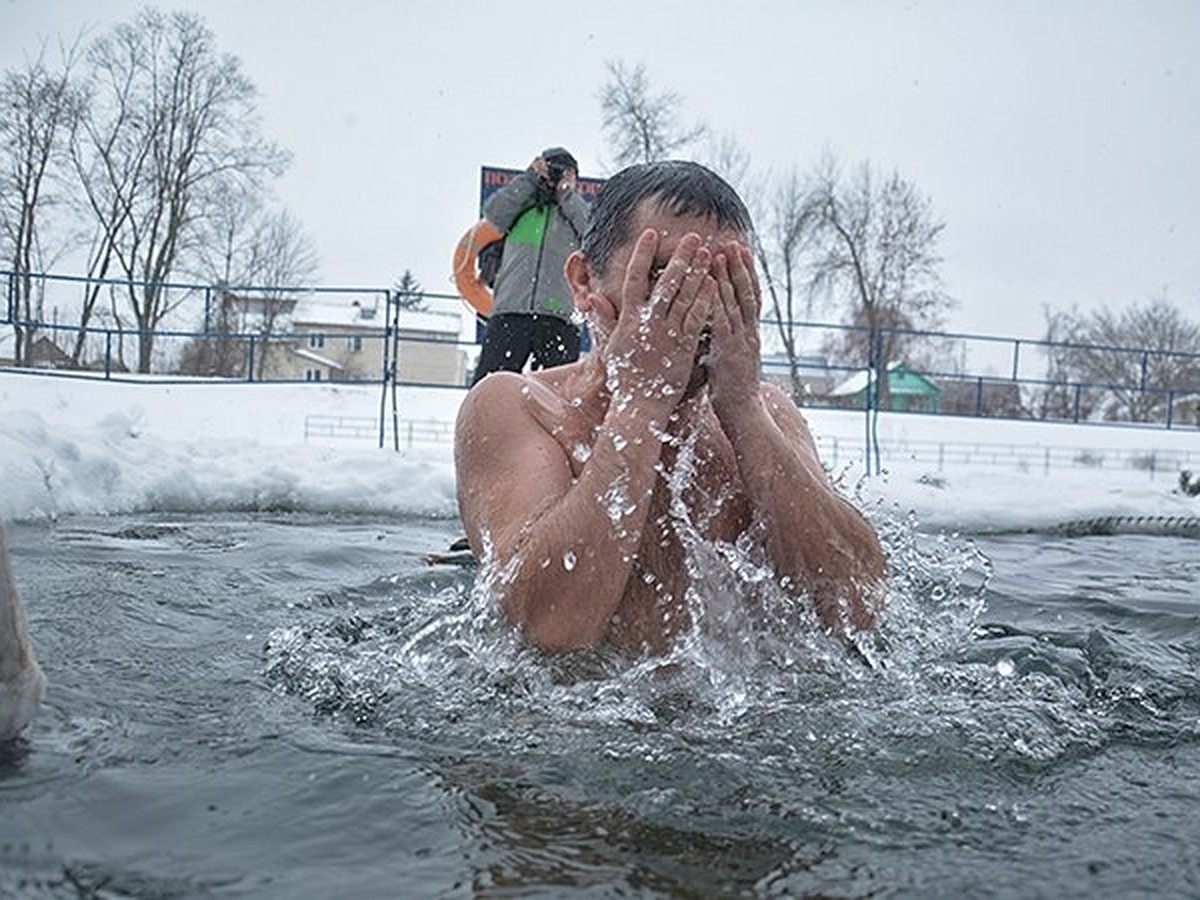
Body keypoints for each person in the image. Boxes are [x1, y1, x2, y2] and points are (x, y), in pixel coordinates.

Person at [455, 160, 886, 654]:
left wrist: (743, 410)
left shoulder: (766, 413)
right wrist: (639, 404)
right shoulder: (516, 407)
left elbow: (861, 610)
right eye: (663, 276)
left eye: (719, 279)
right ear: (584, 281)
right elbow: (548, 630)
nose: (694, 306)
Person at [471, 147, 590, 384]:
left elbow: (592, 233)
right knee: (489, 387)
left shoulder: (576, 213)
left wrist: (566, 193)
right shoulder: (521, 207)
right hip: (511, 311)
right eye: (552, 169)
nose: (556, 176)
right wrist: (529, 179)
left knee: (557, 397)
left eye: (564, 172)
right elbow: (494, 213)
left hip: (559, 315)